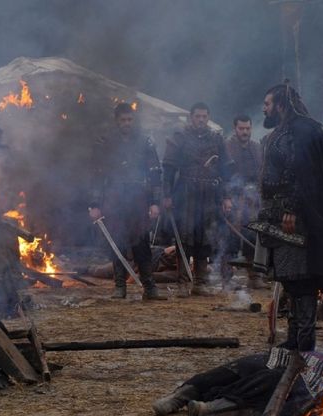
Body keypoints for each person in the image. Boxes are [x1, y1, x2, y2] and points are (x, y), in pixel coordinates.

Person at [254, 83, 323, 354]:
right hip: (279, 212)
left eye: (268, 103)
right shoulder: (286, 130)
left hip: (294, 216)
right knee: (289, 278)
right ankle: (295, 337)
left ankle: (305, 342)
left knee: (301, 277)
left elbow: (302, 172)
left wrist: (292, 209)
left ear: (281, 104)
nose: (264, 108)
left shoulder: (301, 131)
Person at [89, 103, 166, 300]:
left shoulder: (144, 142)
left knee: (142, 243)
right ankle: (120, 286)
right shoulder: (106, 143)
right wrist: (95, 204)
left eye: (130, 119)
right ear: (116, 121)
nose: (127, 123)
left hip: (138, 197)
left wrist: (154, 202)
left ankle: (149, 287)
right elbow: (97, 174)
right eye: (123, 120)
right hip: (114, 198)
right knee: (117, 242)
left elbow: (155, 173)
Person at [151, 352, 323, 416]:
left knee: (272, 380)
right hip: (289, 359)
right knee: (242, 366)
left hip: (304, 377)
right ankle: (180, 396)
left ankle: (213, 407)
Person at [162, 102, 234, 297]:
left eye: (204, 116)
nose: (201, 120)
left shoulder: (217, 139)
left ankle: (200, 282)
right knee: (184, 238)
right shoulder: (180, 137)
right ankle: (183, 282)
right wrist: (167, 195)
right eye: (197, 116)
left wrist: (226, 197)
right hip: (185, 193)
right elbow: (168, 168)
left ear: (208, 117)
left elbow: (225, 171)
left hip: (210, 195)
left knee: (205, 238)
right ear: (191, 117)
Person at [224, 115, 264, 289]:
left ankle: (254, 276)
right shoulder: (227, 147)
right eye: (241, 129)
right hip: (232, 199)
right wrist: (226, 197)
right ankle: (227, 277)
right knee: (230, 238)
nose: (245, 132)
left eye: (247, 128)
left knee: (253, 236)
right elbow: (223, 175)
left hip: (253, 200)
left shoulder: (257, 148)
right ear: (235, 128)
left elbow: (262, 173)